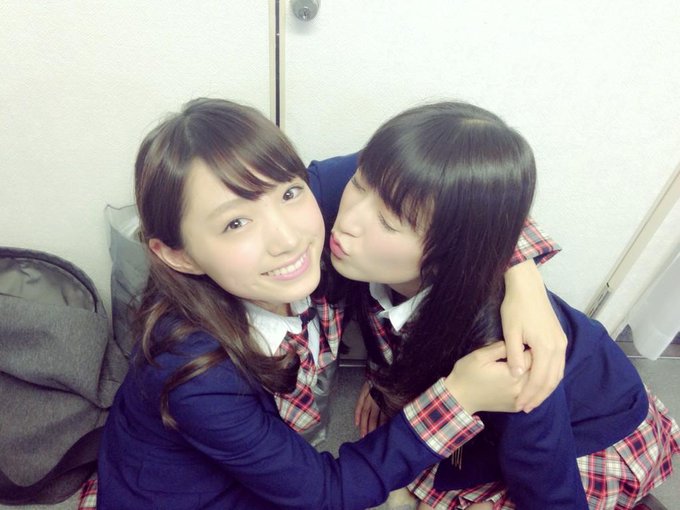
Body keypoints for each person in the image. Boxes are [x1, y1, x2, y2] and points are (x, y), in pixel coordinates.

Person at [92, 98, 538, 510]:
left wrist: (523, 279)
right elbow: (326, 493)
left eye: (289, 193)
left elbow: (447, 177)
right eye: (236, 223)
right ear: (179, 255)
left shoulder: (326, 211)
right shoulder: (197, 374)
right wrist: (457, 399)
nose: (289, 239)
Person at [327, 101, 680, 509]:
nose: (347, 220)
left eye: (389, 222)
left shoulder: (505, 349)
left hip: (583, 431)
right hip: (503, 410)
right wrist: (386, 384)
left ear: (450, 252)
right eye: (358, 183)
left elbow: (544, 470)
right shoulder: (370, 258)